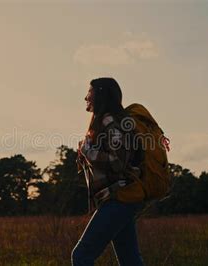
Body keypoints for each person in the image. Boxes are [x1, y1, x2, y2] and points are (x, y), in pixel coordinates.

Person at [72, 77, 144, 266]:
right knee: (130, 260)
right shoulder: (105, 122)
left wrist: (88, 151)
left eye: (90, 92)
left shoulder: (110, 122)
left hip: (117, 198)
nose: (86, 97)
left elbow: (117, 161)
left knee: (81, 256)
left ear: (101, 94)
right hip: (119, 198)